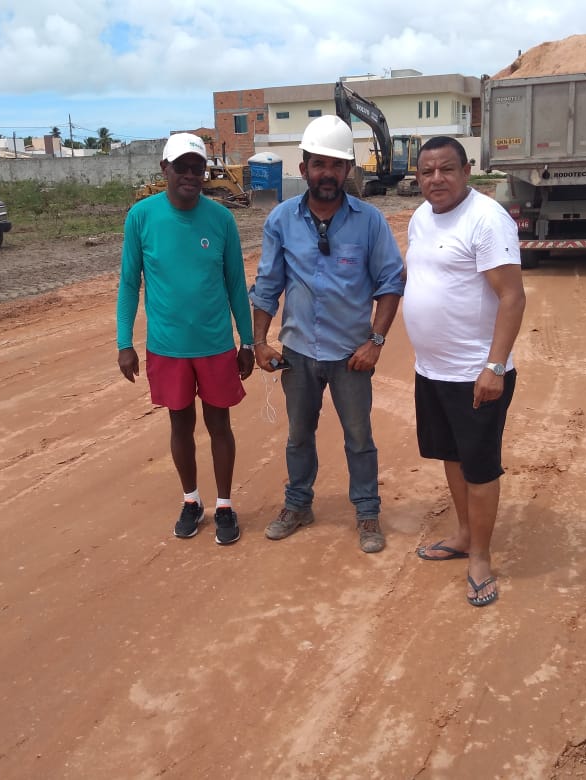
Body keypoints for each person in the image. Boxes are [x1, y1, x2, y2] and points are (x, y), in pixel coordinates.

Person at [249, 115, 405, 553]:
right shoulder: (281, 220)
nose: (328, 174)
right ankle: (298, 505)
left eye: (337, 165)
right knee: (299, 435)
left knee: (359, 437)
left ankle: (368, 513)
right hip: (298, 354)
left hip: (351, 356)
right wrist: (259, 342)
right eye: (319, 164)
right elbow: (267, 286)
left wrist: (375, 342)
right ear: (303, 169)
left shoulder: (369, 222)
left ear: (348, 170)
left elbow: (391, 283)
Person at [402, 136, 526, 606]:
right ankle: (461, 534)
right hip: (431, 370)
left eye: (446, 169)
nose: (436, 179)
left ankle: (481, 557)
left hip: (476, 374)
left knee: (478, 466)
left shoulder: (486, 219)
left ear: (467, 170)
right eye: (427, 171)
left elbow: (513, 297)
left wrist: (494, 366)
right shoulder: (419, 217)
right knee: (451, 457)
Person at [116, 132, 255, 545]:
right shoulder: (141, 217)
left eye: (199, 168)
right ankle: (192, 500)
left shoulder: (221, 219)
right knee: (180, 425)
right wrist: (124, 342)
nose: (192, 176)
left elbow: (234, 283)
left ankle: (225, 505)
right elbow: (129, 283)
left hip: (215, 346)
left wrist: (246, 341)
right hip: (167, 347)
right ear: (165, 170)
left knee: (220, 425)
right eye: (183, 168)